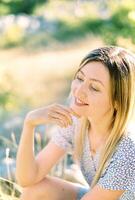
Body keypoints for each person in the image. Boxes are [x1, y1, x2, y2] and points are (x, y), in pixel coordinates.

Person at [16, 46, 135, 200]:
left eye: (94, 88)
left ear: (118, 101)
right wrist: (29, 123)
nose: (78, 91)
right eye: (80, 78)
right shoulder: (76, 123)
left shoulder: (129, 150)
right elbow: (28, 179)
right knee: (34, 189)